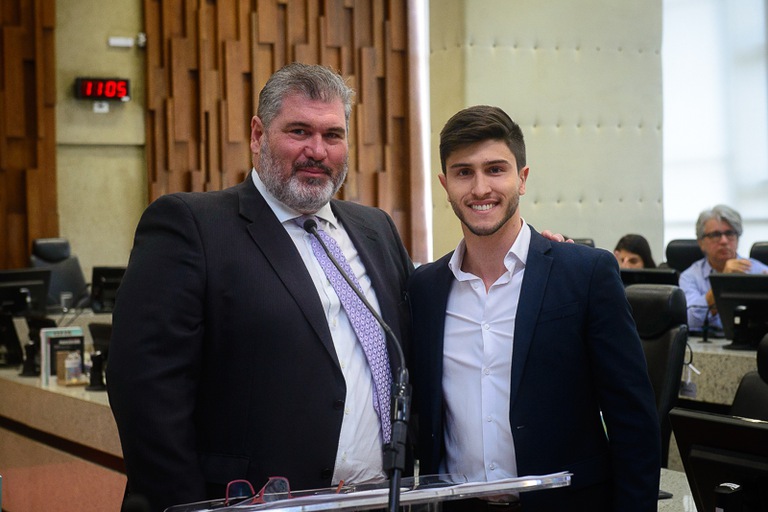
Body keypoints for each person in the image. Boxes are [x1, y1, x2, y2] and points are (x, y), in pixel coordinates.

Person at [106, 62, 414, 512]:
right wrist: (190, 507)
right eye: (299, 131)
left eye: (333, 135)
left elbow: (417, 336)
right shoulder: (192, 226)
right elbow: (145, 394)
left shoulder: (375, 229)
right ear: (257, 135)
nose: (317, 150)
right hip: (249, 503)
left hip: (380, 498)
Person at [408, 105, 660, 511]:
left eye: (495, 169)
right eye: (463, 172)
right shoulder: (424, 289)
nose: (480, 188)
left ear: (522, 178)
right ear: (445, 184)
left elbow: (633, 421)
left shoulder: (584, 274)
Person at [679, 204, 768, 332]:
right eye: (715, 235)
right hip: (707, 341)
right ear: (701, 243)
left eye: (730, 233)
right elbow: (689, 321)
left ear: (738, 239)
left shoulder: (759, 271)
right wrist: (722, 282)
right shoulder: (690, 277)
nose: (724, 241)